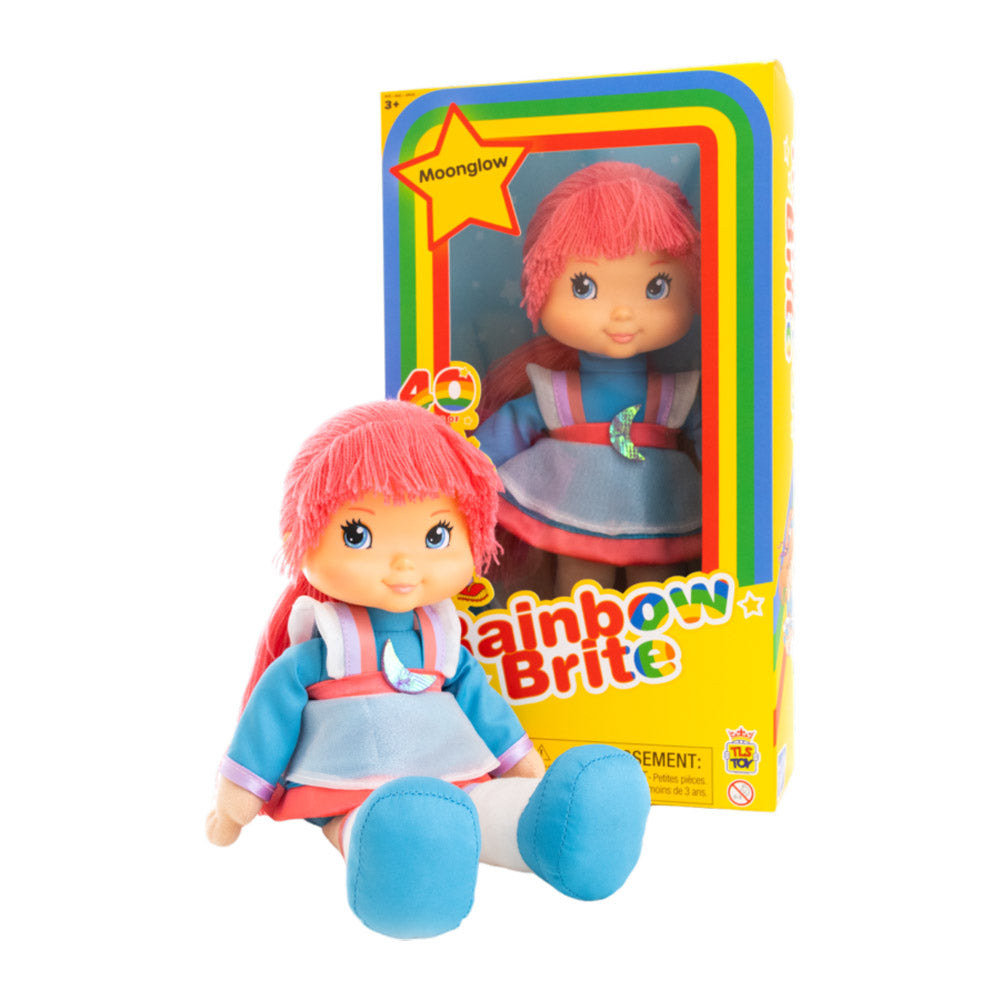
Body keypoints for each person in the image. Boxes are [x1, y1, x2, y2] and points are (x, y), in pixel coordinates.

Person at [206, 400, 650, 938]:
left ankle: (563, 832)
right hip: (354, 787)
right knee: (377, 826)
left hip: (457, 773)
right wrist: (234, 806)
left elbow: (486, 710)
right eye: (358, 535)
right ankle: (405, 867)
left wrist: (527, 773)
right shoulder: (321, 647)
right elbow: (268, 721)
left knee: (493, 810)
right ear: (302, 535)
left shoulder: (444, 639)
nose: (404, 564)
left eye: (436, 536)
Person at [477, 162, 702, 594]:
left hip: (657, 506)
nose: (622, 314)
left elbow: (721, 443)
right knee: (580, 589)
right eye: (583, 287)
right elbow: (501, 436)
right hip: (575, 506)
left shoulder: (676, 394)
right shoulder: (558, 392)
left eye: (656, 287)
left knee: (655, 587)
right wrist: (462, 468)